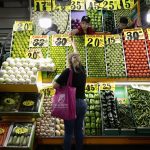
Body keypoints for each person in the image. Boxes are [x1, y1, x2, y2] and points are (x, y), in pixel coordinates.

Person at [52, 52, 87, 150]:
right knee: (78, 130)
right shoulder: (83, 70)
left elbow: (55, 86)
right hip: (82, 104)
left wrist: (55, 80)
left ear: (68, 61)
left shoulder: (67, 71)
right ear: (79, 60)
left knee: (68, 132)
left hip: (71, 104)